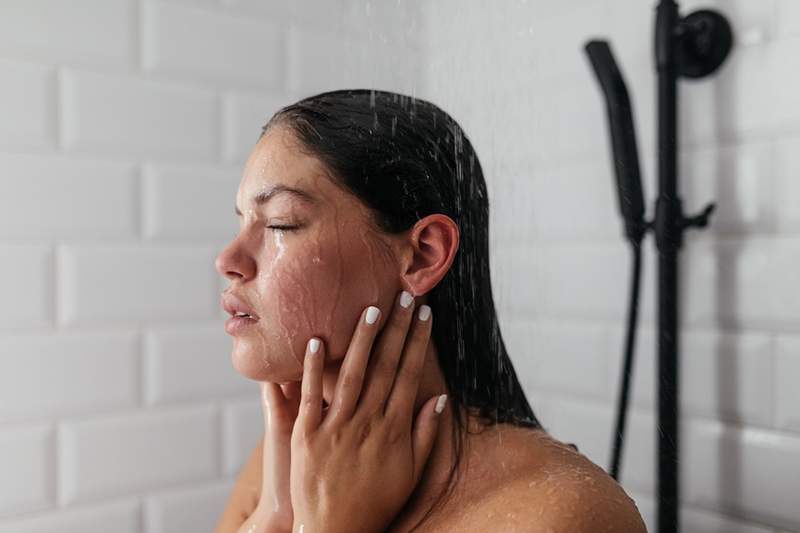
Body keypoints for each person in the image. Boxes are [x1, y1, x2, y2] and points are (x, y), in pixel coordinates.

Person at [214, 89, 646, 532]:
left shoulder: (562, 513)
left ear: (423, 255)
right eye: (242, 220)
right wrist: (275, 516)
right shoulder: (285, 459)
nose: (227, 259)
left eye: (281, 222)